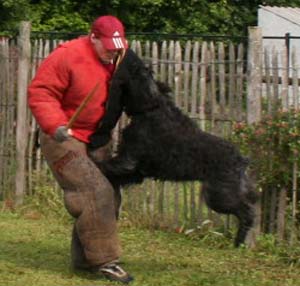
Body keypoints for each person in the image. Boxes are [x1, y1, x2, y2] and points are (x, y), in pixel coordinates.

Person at [27, 15, 133, 284]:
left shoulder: (119, 55)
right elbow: (41, 93)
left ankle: (85, 260)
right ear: (93, 37)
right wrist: (56, 124)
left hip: (97, 136)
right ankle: (106, 261)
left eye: (117, 46)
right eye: (107, 46)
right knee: (94, 191)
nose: (112, 51)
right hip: (63, 136)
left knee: (111, 195)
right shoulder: (67, 56)